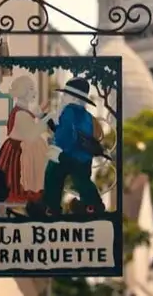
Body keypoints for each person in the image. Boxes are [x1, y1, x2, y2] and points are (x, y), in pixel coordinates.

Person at [41, 77, 104, 214]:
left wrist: (58, 151)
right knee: (82, 181)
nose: (63, 98)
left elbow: (65, 134)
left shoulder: (69, 110)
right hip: (84, 158)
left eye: (65, 95)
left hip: (69, 155)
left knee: (52, 175)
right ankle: (92, 205)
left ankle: (52, 208)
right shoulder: (86, 115)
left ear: (74, 98)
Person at [0, 75, 51, 204]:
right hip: (19, 154)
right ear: (23, 91)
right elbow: (31, 135)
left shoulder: (22, 111)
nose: (34, 92)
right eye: (31, 89)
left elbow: (30, 118)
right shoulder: (20, 114)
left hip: (21, 150)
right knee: (21, 184)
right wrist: (46, 119)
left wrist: (38, 113)